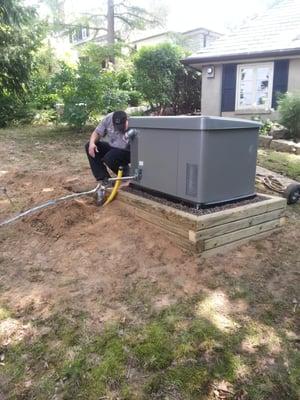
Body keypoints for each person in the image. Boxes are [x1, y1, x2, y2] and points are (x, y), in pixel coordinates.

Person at [85, 111, 130, 183]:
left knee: (110, 157)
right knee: (89, 146)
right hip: (114, 147)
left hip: (128, 150)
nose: (118, 128)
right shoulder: (108, 118)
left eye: (121, 126)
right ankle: (104, 179)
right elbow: (97, 132)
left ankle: (128, 175)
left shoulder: (134, 123)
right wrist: (92, 144)